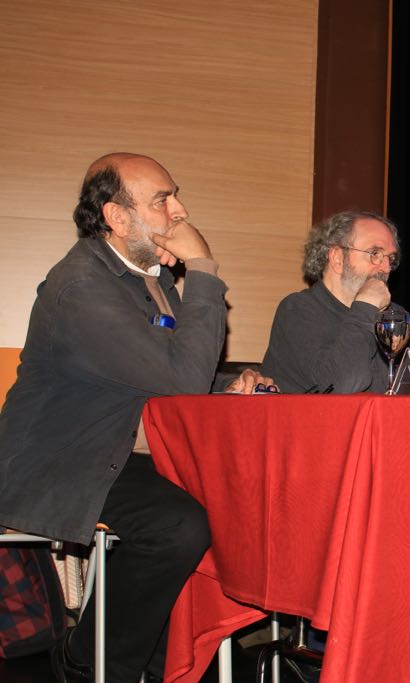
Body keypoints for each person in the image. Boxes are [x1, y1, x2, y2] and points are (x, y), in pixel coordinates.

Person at [0, 152, 272, 683]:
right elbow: (176, 382)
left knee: (238, 502)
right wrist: (204, 270)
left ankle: (161, 659)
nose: (180, 210)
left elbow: (164, 375)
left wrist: (229, 386)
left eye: (175, 195)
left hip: (121, 447)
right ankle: (89, 661)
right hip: (65, 458)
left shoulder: (147, 279)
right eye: (162, 200)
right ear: (116, 218)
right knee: (176, 526)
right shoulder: (81, 286)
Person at [261, 210, 410, 394]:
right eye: (375, 253)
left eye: (391, 258)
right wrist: (366, 306)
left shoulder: (396, 316)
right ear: (337, 258)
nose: (386, 267)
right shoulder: (297, 310)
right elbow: (344, 384)